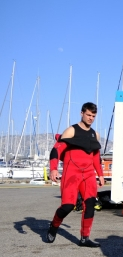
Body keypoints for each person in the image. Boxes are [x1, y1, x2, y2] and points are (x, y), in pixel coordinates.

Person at [47, 102, 105, 247]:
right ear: (81, 113)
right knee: (67, 206)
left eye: (93, 116)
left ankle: (84, 238)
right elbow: (56, 150)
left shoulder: (95, 134)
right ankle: (53, 226)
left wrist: (101, 174)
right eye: (88, 115)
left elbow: (96, 157)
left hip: (88, 175)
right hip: (71, 173)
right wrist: (53, 169)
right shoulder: (71, 131)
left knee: (90, 204)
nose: (91, 118)